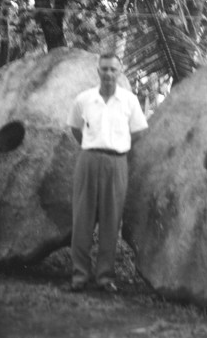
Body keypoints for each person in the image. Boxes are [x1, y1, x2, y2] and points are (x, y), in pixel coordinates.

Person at [66, 52, 148, 293]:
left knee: (111, 223)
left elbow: (138, 132)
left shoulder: (130, 101)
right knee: (82, 220)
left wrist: (117, 144)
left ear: (120, 72)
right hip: (88, 161)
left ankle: (105, 277)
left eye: (113, 69)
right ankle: (79, 275)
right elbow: (75, 128)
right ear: (98, 71)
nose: (109, 74)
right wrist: (94, 145)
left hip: (117, 163)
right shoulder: (84, 99)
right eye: (105, 69)